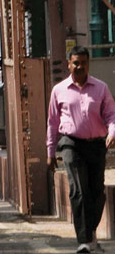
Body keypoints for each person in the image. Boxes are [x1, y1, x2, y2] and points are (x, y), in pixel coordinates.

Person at [47, 46, 115, 253]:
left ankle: (90, 234)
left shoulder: (101, 88)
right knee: (78, 190)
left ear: (88, 64)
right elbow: (52, 123)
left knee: (97, 193)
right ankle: (84, 240)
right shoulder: (59, 90)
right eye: (75, 63)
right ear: (69, 64)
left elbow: (111, 114)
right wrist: (50, 152)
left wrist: (112, 133)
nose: (79, 67)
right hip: (71, 144)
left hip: (96, 145)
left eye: (83, 63)